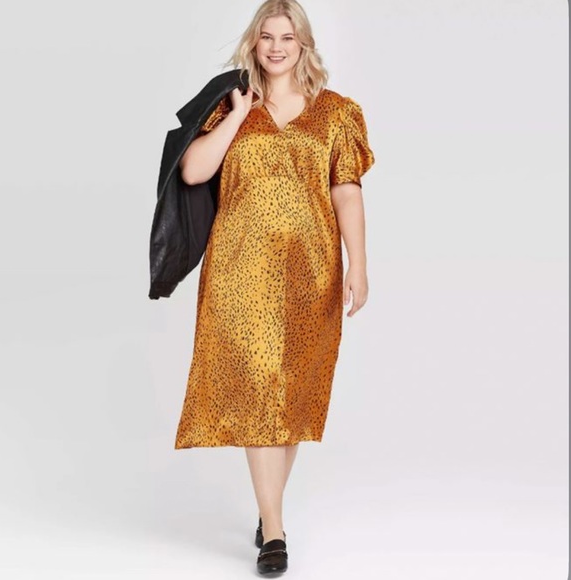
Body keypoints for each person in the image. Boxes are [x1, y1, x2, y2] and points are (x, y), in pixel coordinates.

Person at [174, 0, 375, 574]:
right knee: (259, 389)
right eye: (267, 36)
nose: (277, 46)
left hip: (312, 268)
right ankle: (275, 534)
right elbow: (193, 171)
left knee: (292, 395)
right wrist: (238, 115)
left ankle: (269, 513)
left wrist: (358, 265)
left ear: (303, 43)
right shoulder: (230, 104)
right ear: (254, 43)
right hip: (240, 268)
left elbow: (346, 192)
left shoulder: (337, 112)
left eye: (288, 36)